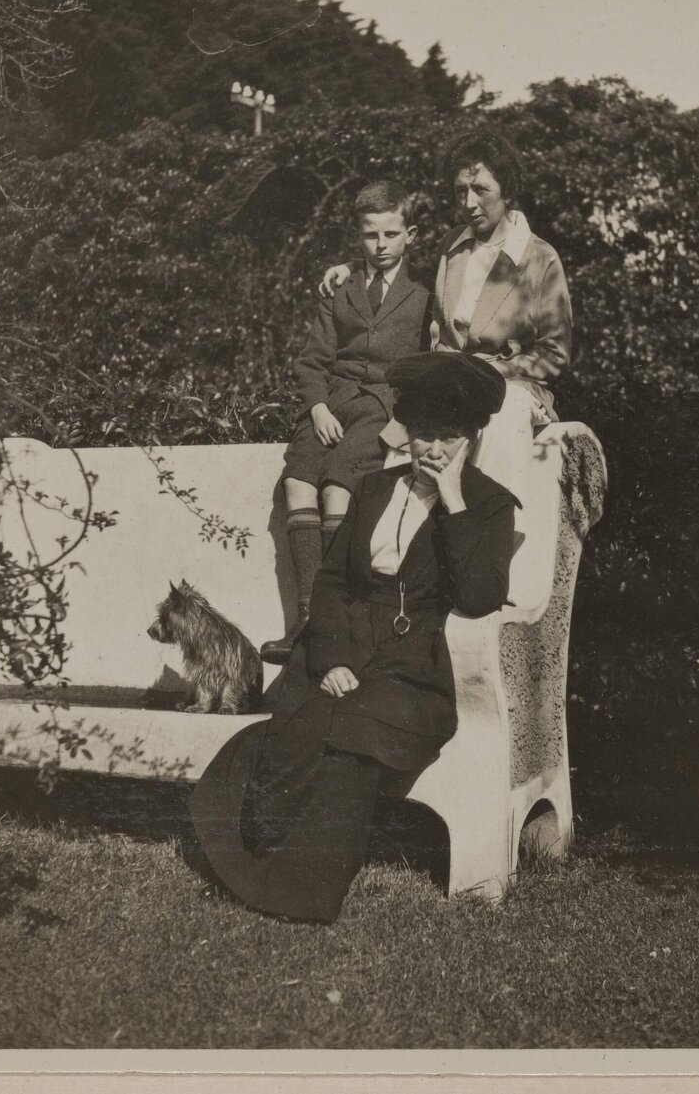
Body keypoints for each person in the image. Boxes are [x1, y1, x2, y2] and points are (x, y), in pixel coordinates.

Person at [188, 352, 518, 924]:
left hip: (412, 670)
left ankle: (295, 891)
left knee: (352, 748)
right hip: (345, 650)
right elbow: (335, 581)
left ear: (470, 439)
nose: (433, 451)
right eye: (423, 436)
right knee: (301, 728)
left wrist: (455, 503)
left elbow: (479, 598)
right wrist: (335, 657)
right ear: (407, 435)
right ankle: (251, 859)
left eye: (447, 438)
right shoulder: (372, 489)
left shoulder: (487, 504)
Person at [320, 130, 572, 607]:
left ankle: (490, 560)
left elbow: (555, 352)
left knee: (504, 416)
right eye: (461, 191)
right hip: (446, 378)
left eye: (481, 191)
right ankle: (398, 567)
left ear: (507, 192)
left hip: (510, 383)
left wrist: (494, 375)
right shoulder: (452, 249)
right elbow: (392, 265)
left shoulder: (538, 257)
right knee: (402, 441)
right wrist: (347, 271)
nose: (470, 202)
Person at [261, 180, 430, 664]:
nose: (381, 246)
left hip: (381, 407)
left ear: (410, 235)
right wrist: (316, 406)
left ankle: (329, 622)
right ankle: (307, 616)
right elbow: (313, 361)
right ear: (358, 236)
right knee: (297, 480)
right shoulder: (341, 287)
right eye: (371, 236)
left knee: (337, 486)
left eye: (391, 235)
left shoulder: (425, 292)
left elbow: (428, 362)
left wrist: (404, 420)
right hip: (332, 403)